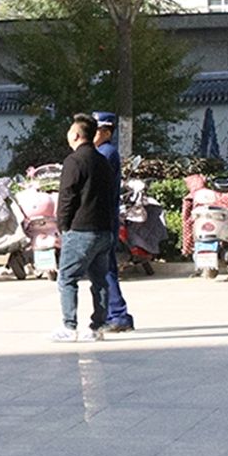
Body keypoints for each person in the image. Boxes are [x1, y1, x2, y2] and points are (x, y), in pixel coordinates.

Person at [52, 113, 118, 342]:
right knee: (100, 281)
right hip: (104, 229)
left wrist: (63, 225)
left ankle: (69, 327)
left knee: (67, 278)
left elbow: (67, 196)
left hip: (80, 230)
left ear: (76, 135)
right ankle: (97, 327)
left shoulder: (74, 161)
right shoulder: (103, 161)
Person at [93, 111, 135, 332]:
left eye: (97, 130)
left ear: (107, 132)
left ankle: (118, 315)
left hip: (104, 218)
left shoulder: (106, 153)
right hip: (105, 216)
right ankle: (115, 314)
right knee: (103, 268)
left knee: (106, 267)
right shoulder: (101, 152)